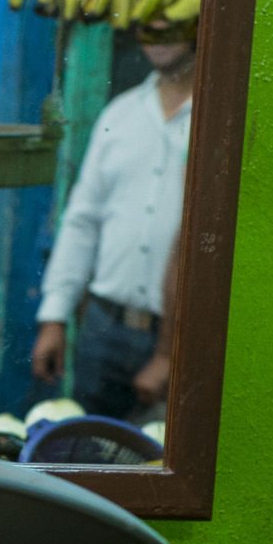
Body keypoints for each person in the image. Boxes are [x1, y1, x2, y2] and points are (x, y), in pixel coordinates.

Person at [31, 28, 196, 420]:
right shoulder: (121, 114)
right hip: (104, 331)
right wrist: (54, 317)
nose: (158, 31)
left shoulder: (217, 120)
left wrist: (171, 353)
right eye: (147, 20)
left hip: (181, 338)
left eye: (170, 19)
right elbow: (82, 220)